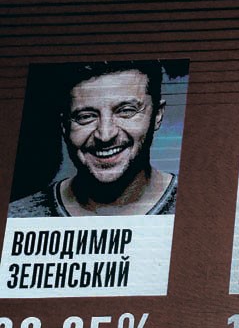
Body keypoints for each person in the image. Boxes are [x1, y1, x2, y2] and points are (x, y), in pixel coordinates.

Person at [9, 60, 177, 217]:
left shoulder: (190, 204)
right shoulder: (16, 218)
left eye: (126, 111)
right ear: (64, 125)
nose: (105, 135)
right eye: (86, 116)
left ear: (157, 115)